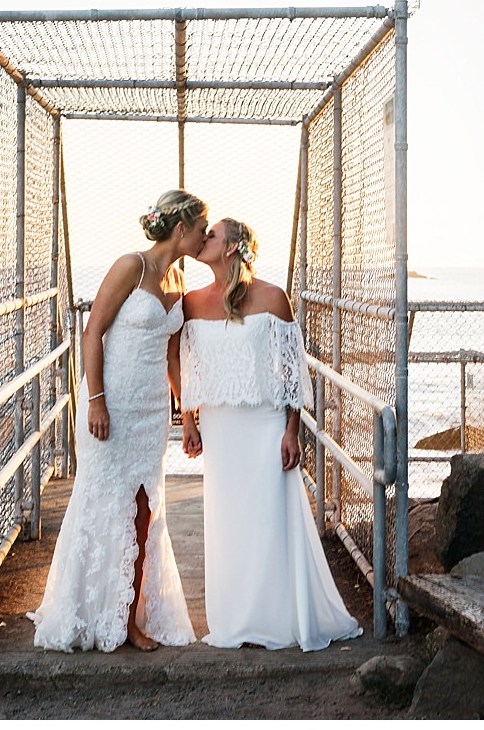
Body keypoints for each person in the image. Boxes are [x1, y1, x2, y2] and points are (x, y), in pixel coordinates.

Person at [28, 190, 209, 653]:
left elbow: (172, 356)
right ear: (181, 229)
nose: (205, 236)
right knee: (104, 507)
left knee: (144, 516)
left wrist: (185, 415)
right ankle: (96, 611)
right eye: (201, 228)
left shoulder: (178, 280)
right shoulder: (131, 265)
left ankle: (128, 614)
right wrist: (96, 401)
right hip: (112, 407)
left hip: (150, 416)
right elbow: (92, 333)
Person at [179, 217, 362, 651]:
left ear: (231, 248)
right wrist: (188, 419)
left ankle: (280, 617)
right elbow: (187, 366)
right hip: (220, 430)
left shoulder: (274, 298)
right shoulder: (190, 302)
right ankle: (236, 618)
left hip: (264, 425)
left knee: (270, 518)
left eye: (212, 235)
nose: (204, 240)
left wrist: (292, 430)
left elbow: (292, 372)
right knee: (230, 523)